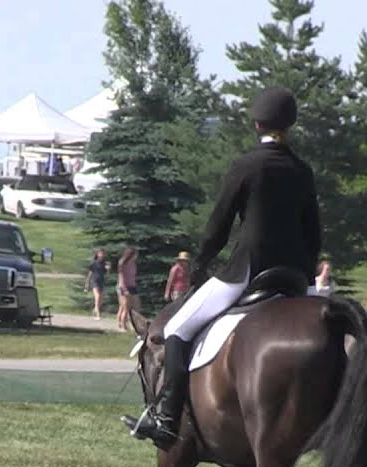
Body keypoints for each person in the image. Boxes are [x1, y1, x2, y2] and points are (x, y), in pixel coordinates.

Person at [121, 86, 321, 448]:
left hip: (249, 270)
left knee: (177, 330)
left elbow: (219, 225)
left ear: (256, 124)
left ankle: (167, 420)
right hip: (295, 276)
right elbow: (314, 233)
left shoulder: (246, 165)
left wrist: (200, 267)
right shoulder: (303, 170)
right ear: (290, 126)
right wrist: (307, 279)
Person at [116, 246, 140, 332]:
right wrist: (124, 289)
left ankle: (122, 322)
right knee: (126, 307)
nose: (136, 256)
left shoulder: (133, 264)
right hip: (124, 287)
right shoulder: (123, 264)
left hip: (132, 286)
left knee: (134, 305)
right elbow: (121, 277)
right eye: (135, 254)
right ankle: (123, 325)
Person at [85, 249, 107, 320]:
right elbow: (89, 274)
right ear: (97, 254)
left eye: (103, 254)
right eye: (100, 253)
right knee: (97, 296)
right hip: (94, 281)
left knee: (101, 298)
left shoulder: (104, 263)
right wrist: (87, 283)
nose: (102, 255)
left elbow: (105, 273)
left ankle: (95, 309)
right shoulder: (94, 263)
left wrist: (108, 269)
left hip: (101, 281)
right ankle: (98, 315)